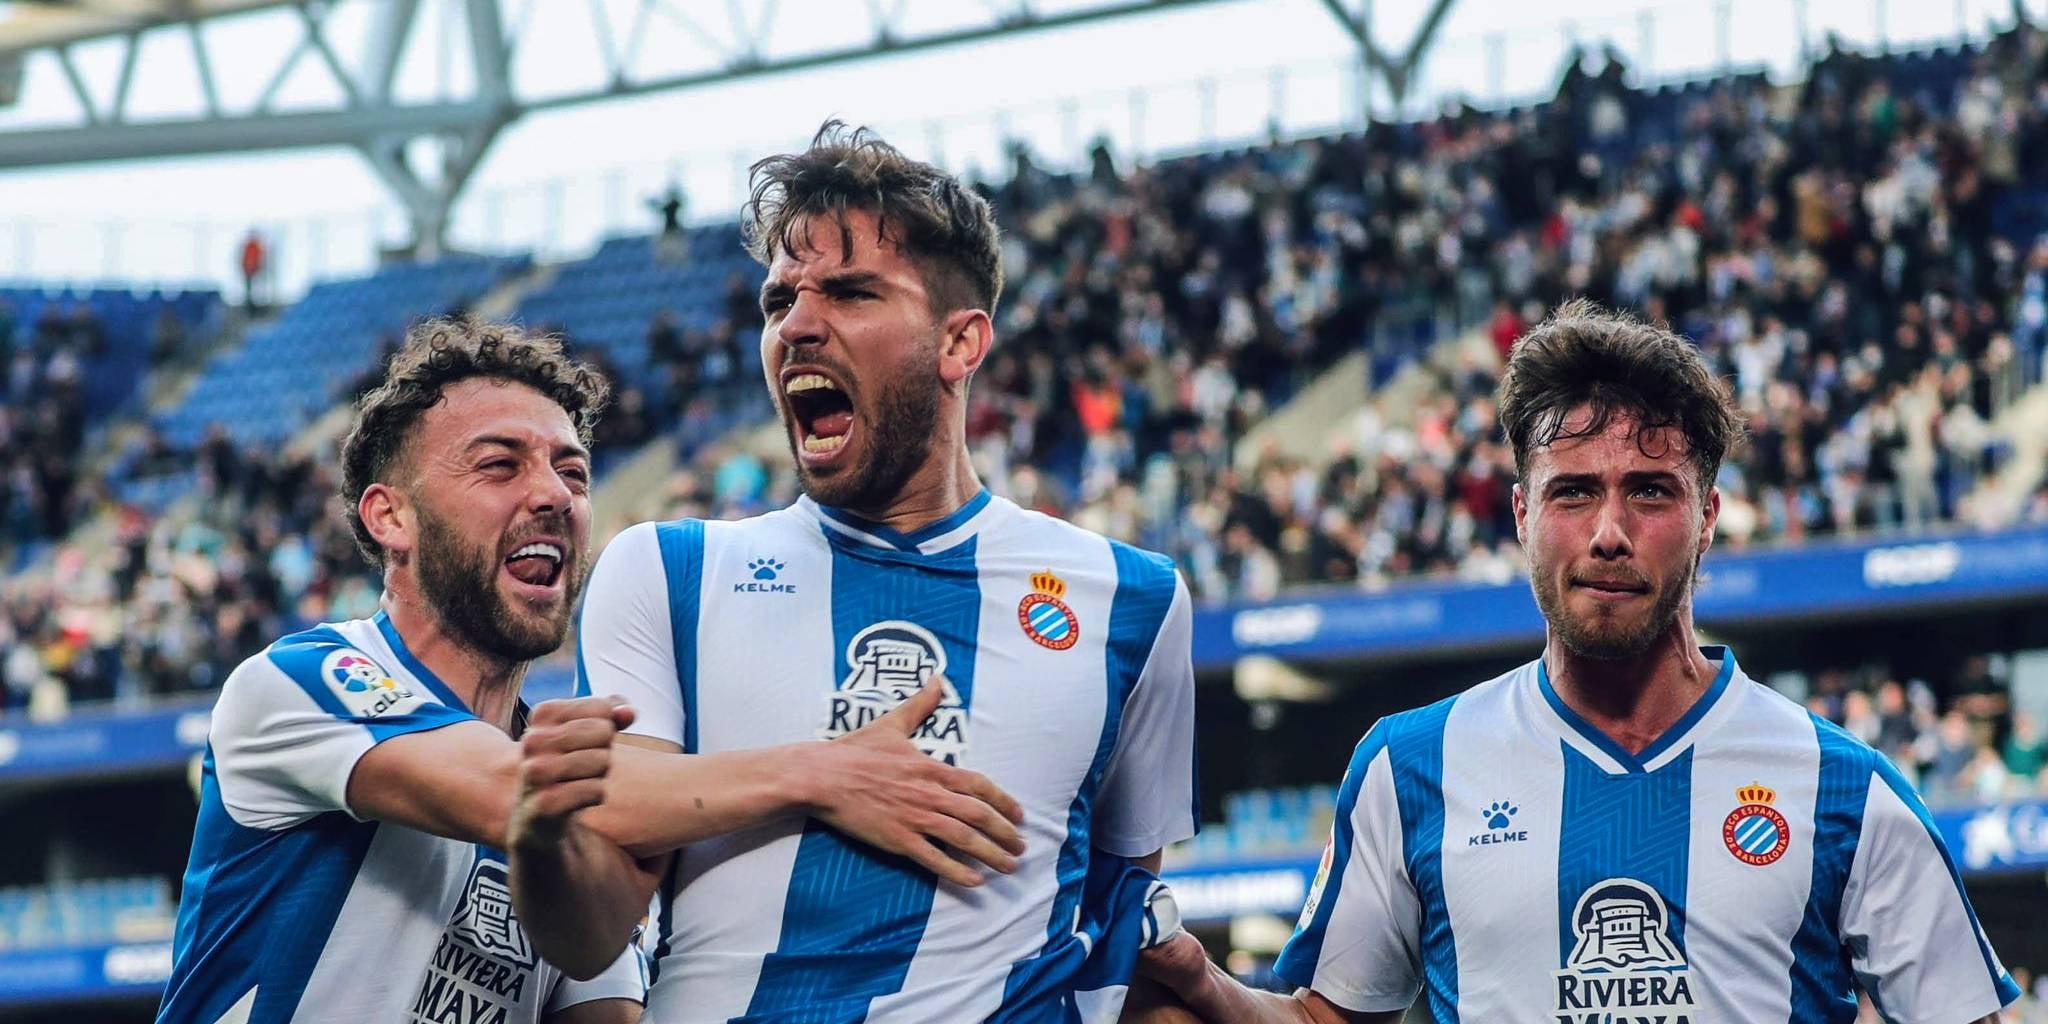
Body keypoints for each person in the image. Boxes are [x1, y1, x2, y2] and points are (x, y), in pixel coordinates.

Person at [1133, 301, 2020, 1024]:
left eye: (1649, 491)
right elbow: (1324, 1019)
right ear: (1521, 514)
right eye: (1573, 491)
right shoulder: (1411, 768)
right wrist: (1205, 988)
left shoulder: (1844, 787)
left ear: (1708, 518)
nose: (1608, 532)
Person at [157, 317, 1024, 1023]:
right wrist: (824, 771)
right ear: (391, 517)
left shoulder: (574, 758)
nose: (555, 495)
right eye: (499, 465)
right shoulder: (305, 682)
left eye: (571, 471)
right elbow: (520, 798)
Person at [532, 121, 1200, 1022]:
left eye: (849, 293)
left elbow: (1120, 922)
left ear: (961, 344)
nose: (797, 327)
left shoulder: (1133, 600)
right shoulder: (668, 570)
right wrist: (820, 774)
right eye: (778, 303)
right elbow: (588, 932)